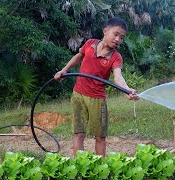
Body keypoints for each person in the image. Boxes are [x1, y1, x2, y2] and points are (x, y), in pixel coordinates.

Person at [54, 17, 139, 157]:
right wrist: (64, 70)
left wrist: (127, 89)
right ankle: (79, 166)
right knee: (79, 133)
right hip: (78, 94)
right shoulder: (90, 43)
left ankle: (100, 169)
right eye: (116, 34)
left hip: (97, 100)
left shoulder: (116, 57)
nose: (118, 39)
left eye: (122, 37)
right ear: (105, 31)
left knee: (100, 137)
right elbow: (78, 56)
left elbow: (118, 76)